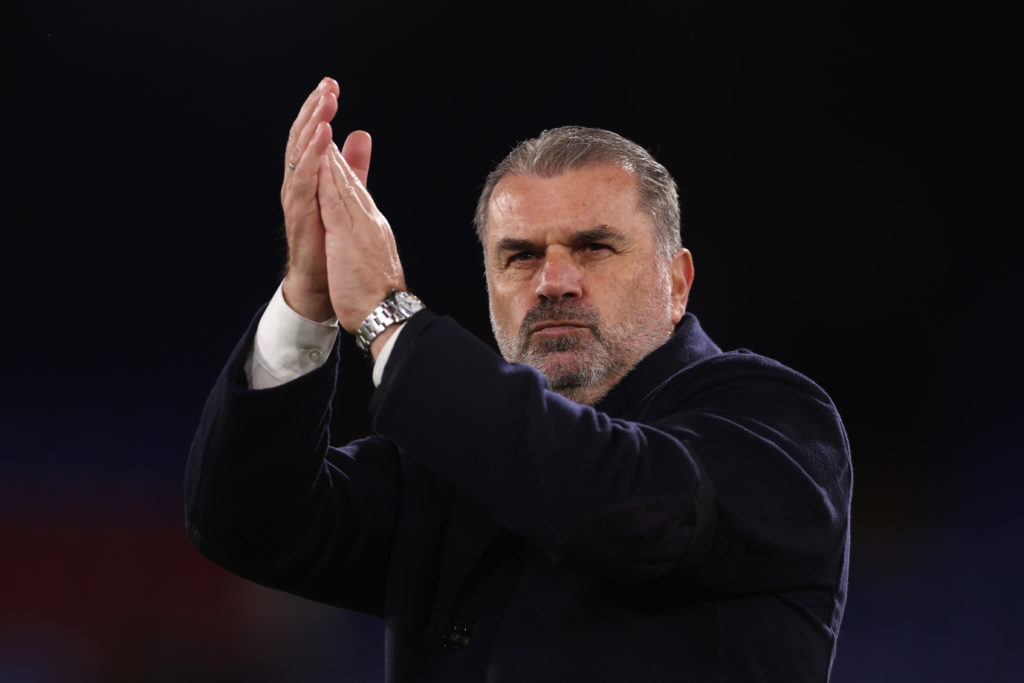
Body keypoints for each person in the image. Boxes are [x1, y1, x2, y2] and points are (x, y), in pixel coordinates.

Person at [185, 76, 852, 682]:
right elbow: (248, 521)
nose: (553, 282)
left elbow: (619, 501)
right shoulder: (446, 471)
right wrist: (308, 295)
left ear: (677, 283)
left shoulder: (781, 424)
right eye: (520, 256)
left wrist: (389, 318)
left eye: (594, 247)